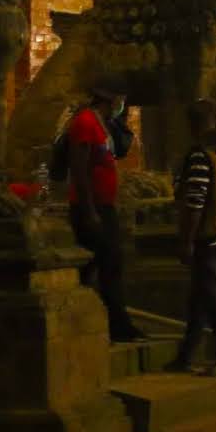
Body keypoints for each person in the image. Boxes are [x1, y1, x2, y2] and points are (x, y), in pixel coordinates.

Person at [169, 98, 216, 375]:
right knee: (199, 297)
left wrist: (186, 240)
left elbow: (195, 201)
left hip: (206, 235)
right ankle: (186, 356)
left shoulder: (201, 155)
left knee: (211, 297)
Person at [63, 85, 143, 343]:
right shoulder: (85, 123)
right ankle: (117, 326)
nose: (122, 105)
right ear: (109, 99)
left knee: (103, 264)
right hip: (92, 207)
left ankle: (108, 323)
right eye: (120, 99)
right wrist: (89, 210)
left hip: (103, 205)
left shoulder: (101, 124)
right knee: (108, 263)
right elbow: (79, 168)